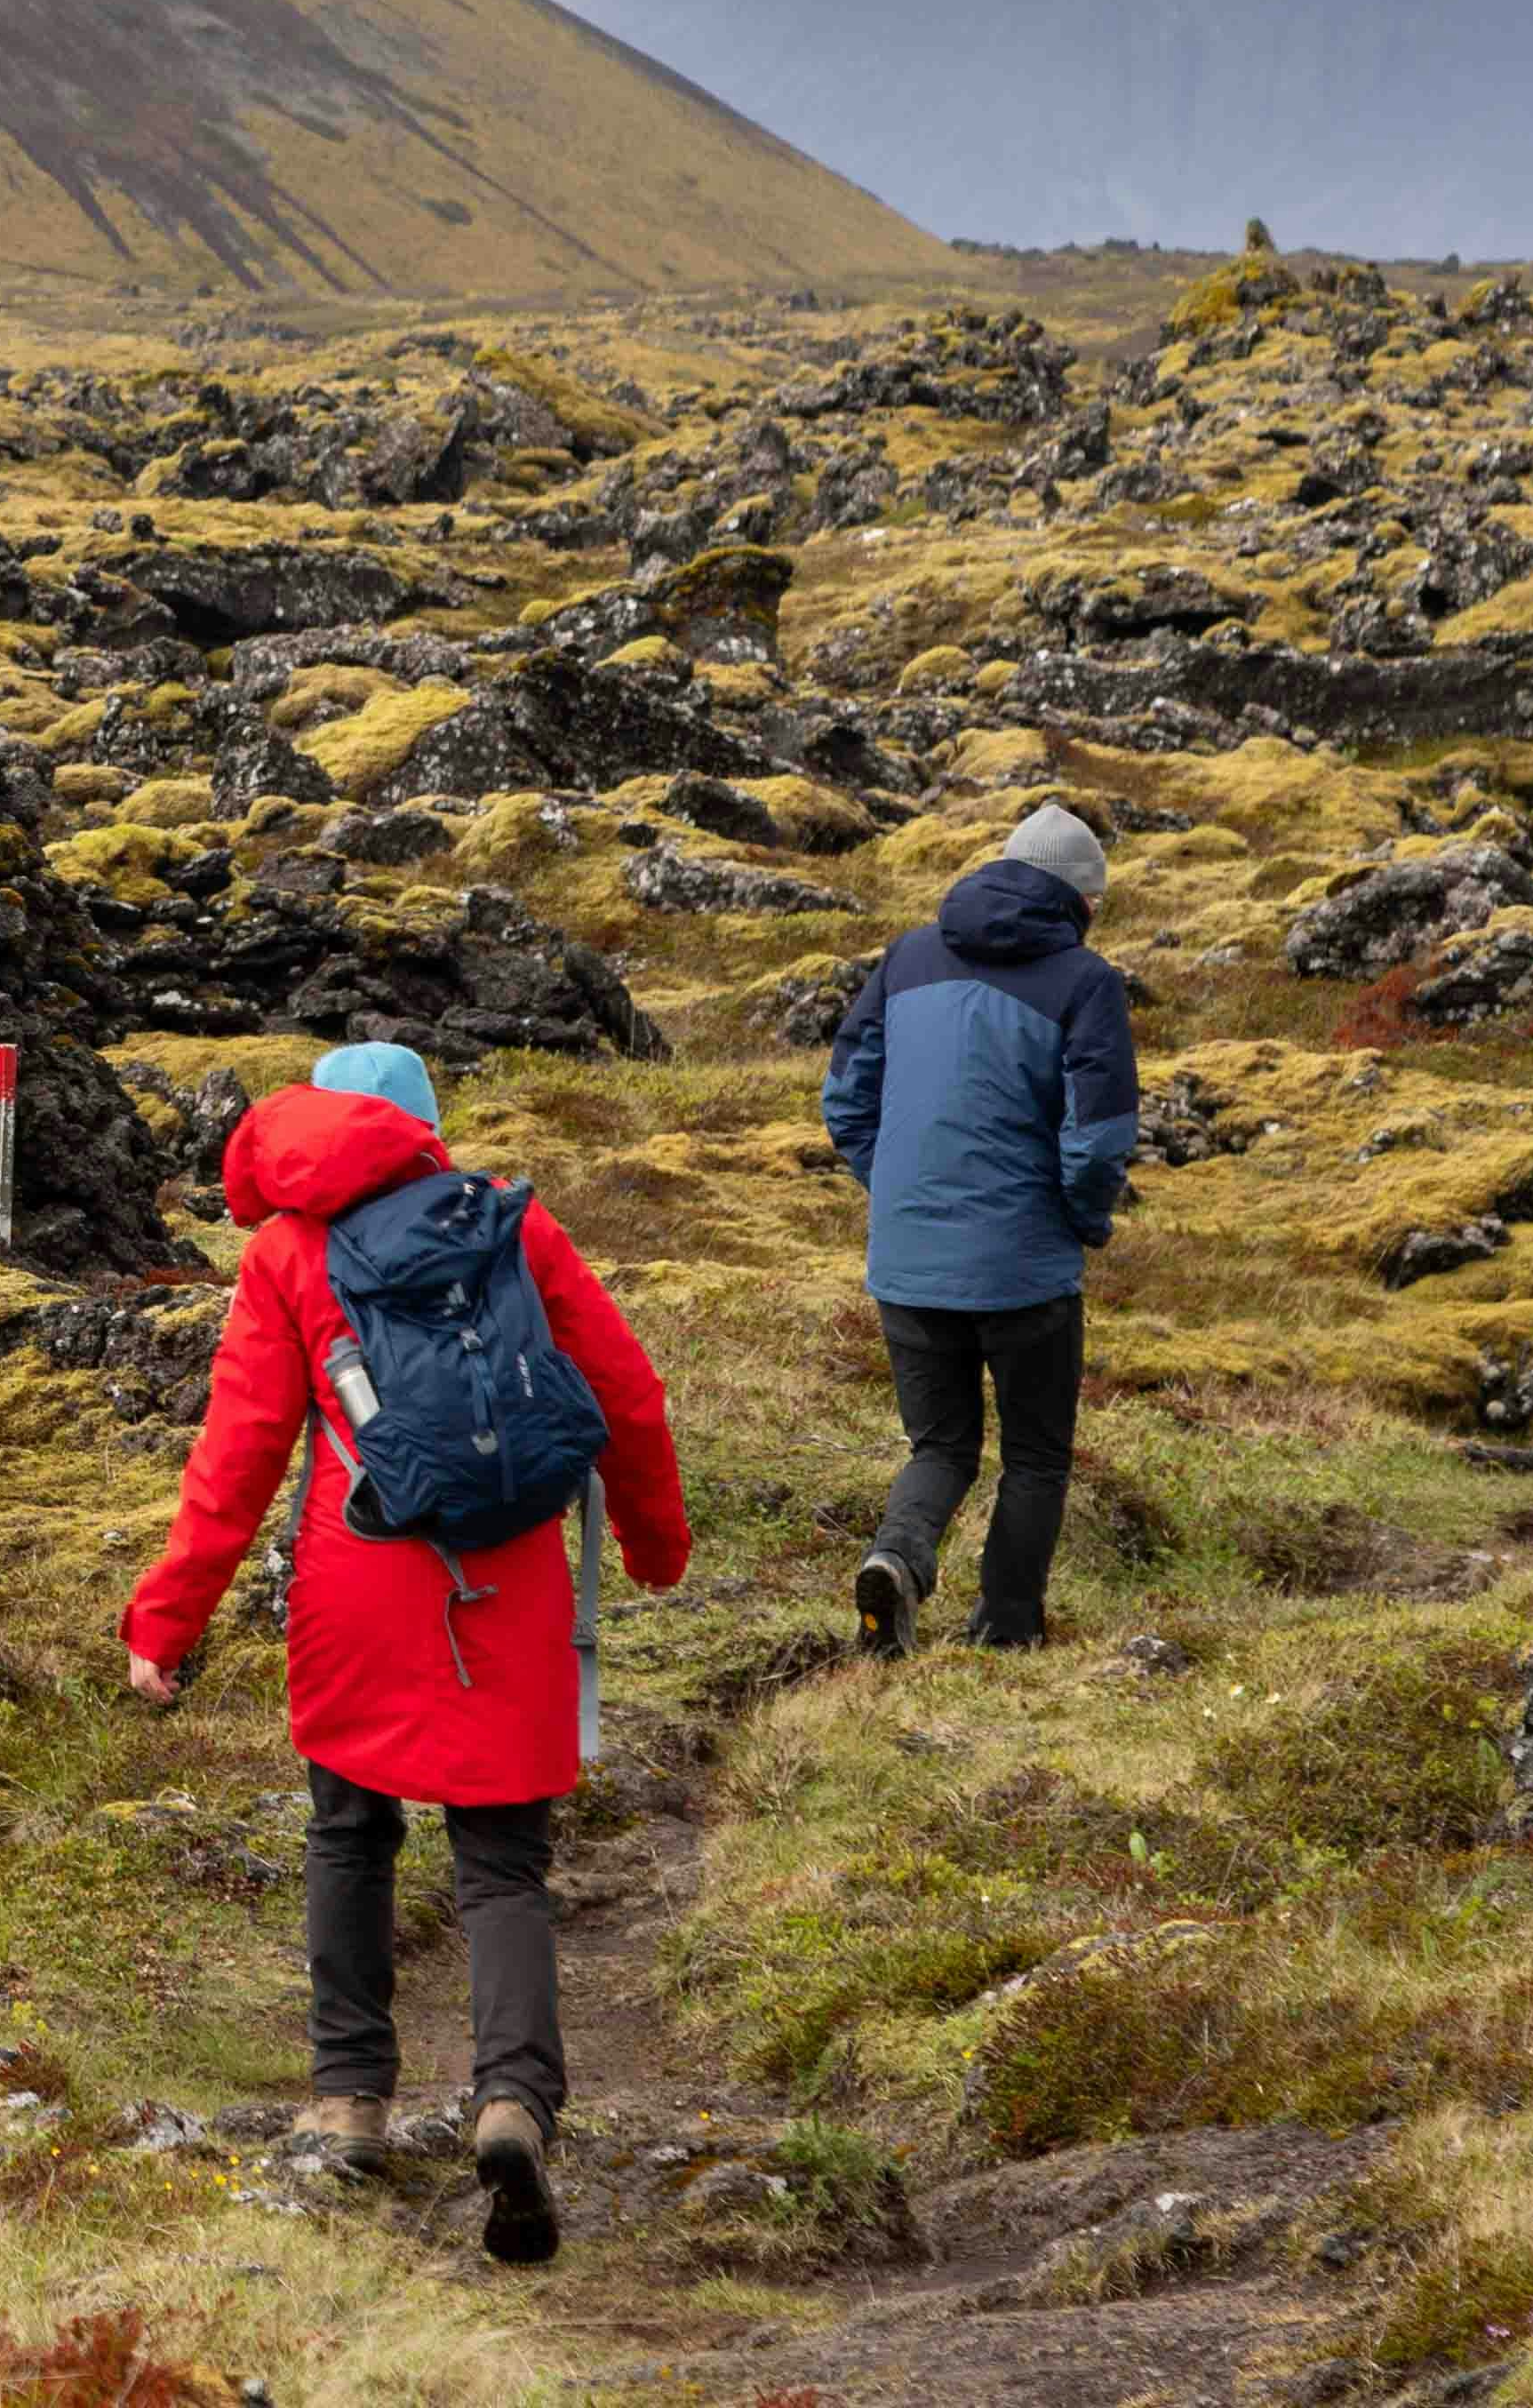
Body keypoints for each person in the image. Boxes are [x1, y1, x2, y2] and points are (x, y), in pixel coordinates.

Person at [121, 1044, 689, 2268]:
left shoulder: (285, 1255)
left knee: (348, 1829)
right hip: (508, 1578)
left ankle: (348, 2098)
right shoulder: (508, 1227)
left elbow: (240, 1455)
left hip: (357, 1577)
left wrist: (168, 1620)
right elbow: (629, 1397)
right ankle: (513, 2103)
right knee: (501, 1863)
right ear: (426, 1129)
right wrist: (655, 1544)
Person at [821, 804, 1137, 1657]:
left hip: (909, 1259)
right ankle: (1006, 1626)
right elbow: (1100, 1136)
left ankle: (896, 1560)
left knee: (943, 1444)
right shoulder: (1087, 980)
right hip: (1025, 1269)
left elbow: (846, 1099)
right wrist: (1080, 1220)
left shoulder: (907, 956)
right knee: (1035, 1455)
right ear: (1082, 898)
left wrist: (896, 1193)